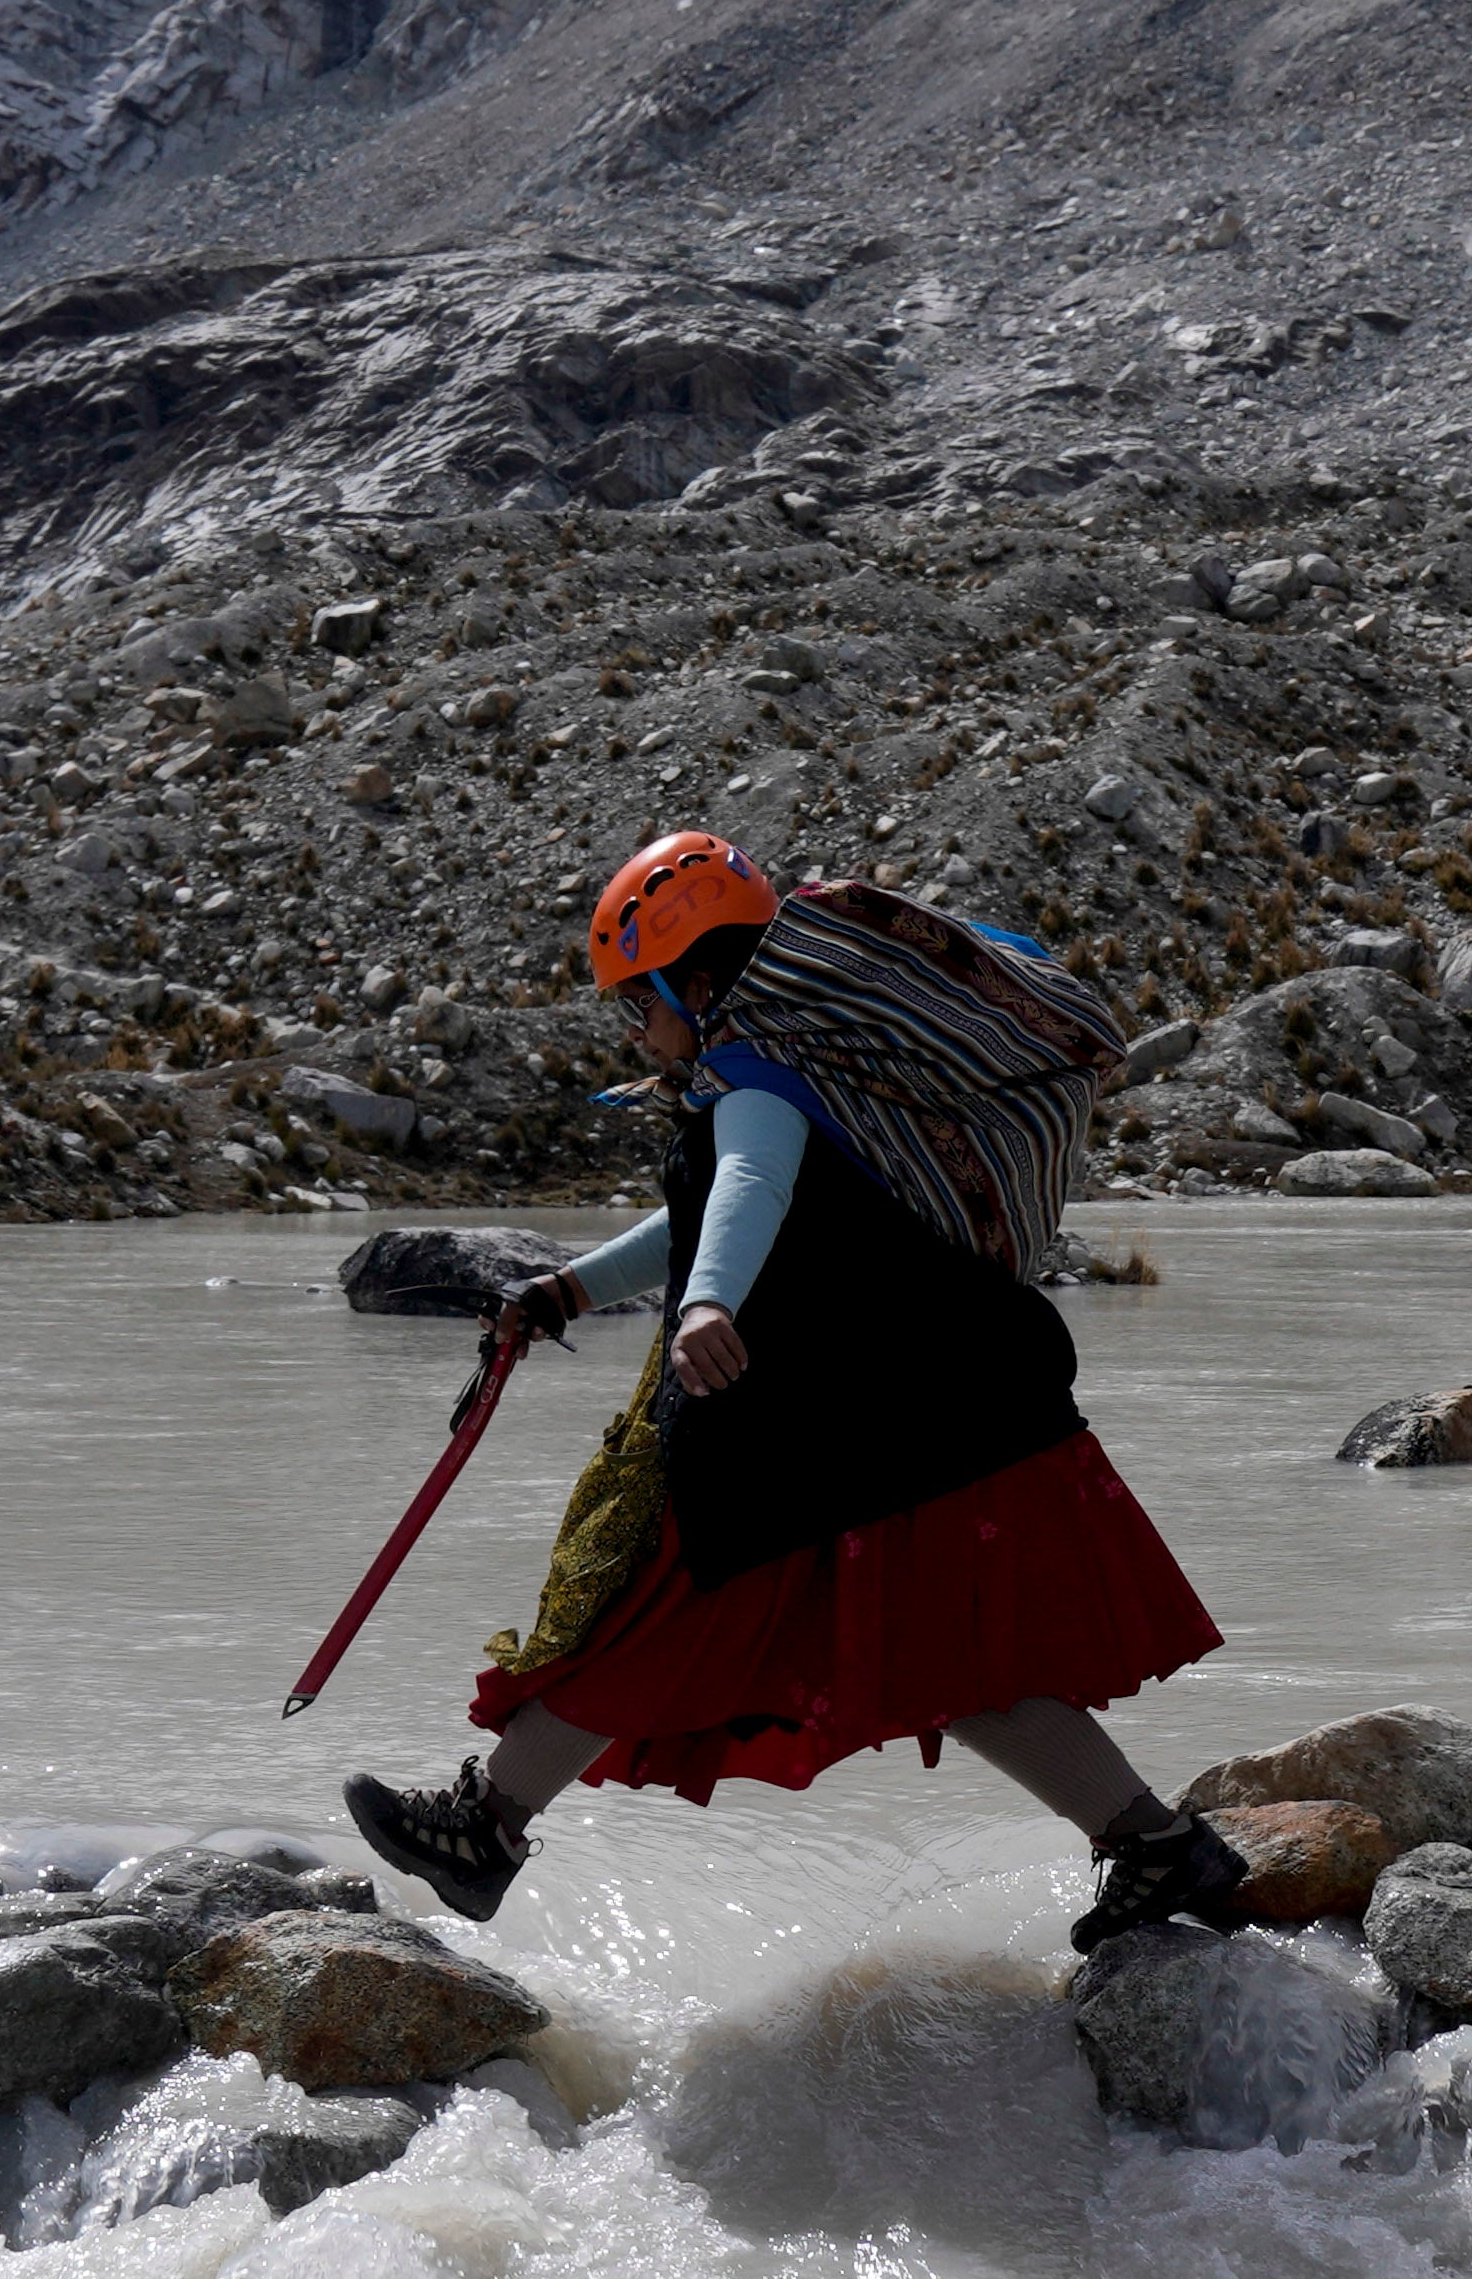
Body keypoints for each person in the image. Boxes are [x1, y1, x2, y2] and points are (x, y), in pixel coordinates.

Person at [343, 833, 1256, 1953]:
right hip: (930, 1417)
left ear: (700, 983)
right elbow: (702, 1217)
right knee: (959, 1666)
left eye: (640, 1005)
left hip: (820, 1441)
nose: (637, 1032)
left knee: (645, 1618)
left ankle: (484, 1833)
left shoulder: (757, 1079)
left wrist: (704, 1309)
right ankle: (1161, 1849)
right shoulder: (797, 1074)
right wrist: (570, 1292)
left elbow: (752, 1186)